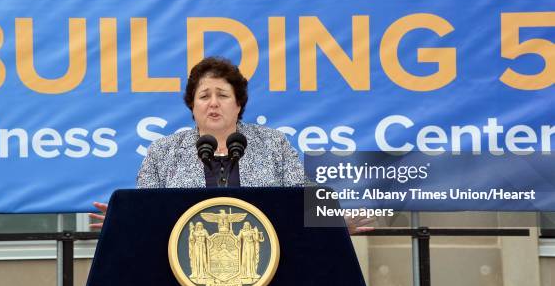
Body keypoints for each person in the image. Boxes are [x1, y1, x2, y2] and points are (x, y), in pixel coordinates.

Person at [89, 56, 374, 233]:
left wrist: (335, 222)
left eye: (223, 95)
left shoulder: (273, 143)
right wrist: (124, 224)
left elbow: (303, 195)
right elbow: (147, 210)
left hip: (264, 266)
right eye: (204, 96)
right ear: (192, 105)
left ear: (239, 104)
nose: (213, 103)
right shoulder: (163, 151)